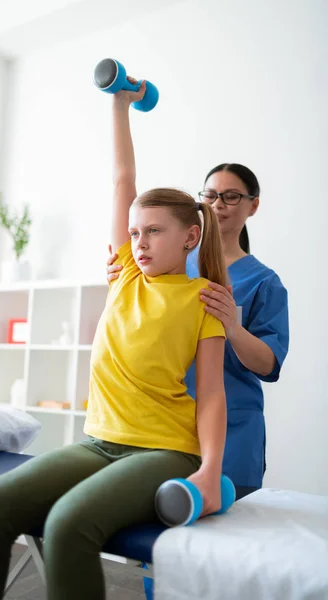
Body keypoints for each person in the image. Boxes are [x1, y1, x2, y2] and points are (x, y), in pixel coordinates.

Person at [0, 81, 228, 600]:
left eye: (155, 232)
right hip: (100, 441)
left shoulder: (202, 298)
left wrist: (210, 472)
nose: (139, 242)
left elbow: (212, 393)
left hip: (164, 449)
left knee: (67, 524)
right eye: (135, 232)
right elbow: (123, 178)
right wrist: (119, 105)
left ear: (190, 236)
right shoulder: (123, 273)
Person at [108, 162, 290, 499]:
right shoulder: (167, 265)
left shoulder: (264, 282)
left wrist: (232, 327)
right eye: (210, 194)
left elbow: (268, 364)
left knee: (224, 538)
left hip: (233, 430)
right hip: (165, 425)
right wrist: (119, 275)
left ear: (253, 205)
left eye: (231, 196)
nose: (218, 203)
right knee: (159, 532)